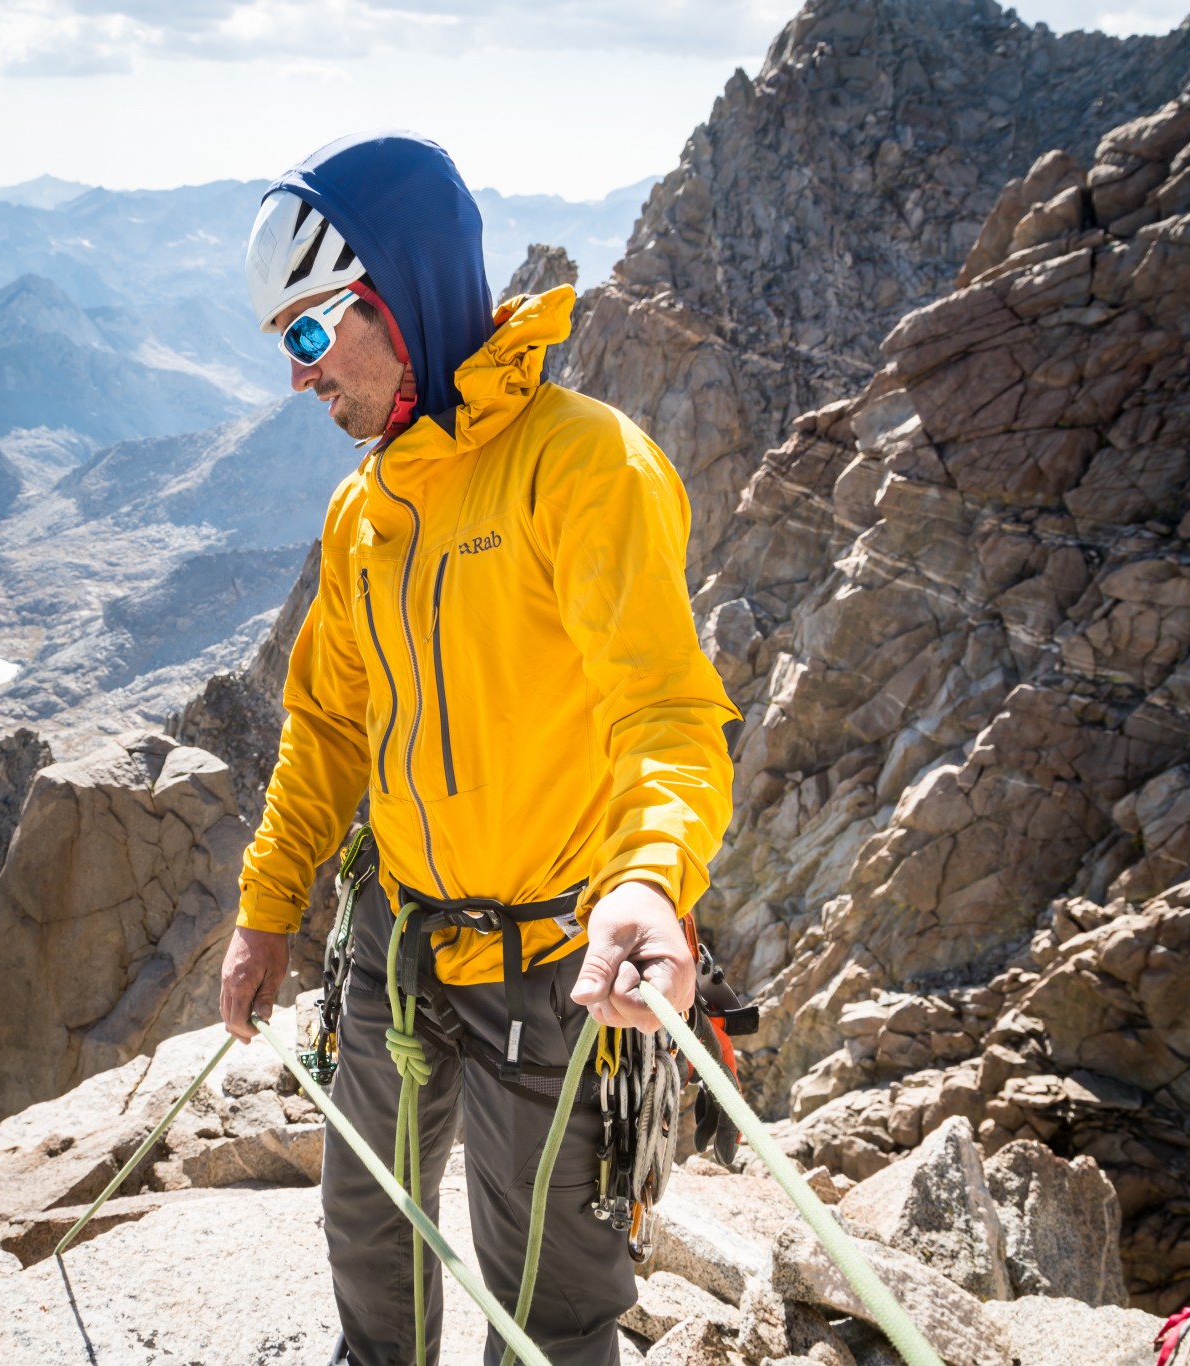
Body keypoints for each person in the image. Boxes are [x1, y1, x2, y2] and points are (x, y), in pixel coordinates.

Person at [219, 130, 738, 1366]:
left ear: (394, 294)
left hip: (555, 962)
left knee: (552, 1301)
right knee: (368, 1227)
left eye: (307, 330)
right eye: (282, 340)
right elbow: (327, 727)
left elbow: (663, 712)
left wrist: (647, 879)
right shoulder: (365, 511)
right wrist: (266, 908)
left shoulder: (583, 465)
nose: (296, 374)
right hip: (397, 940)